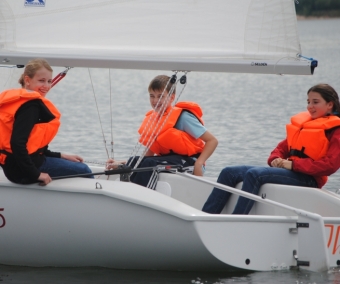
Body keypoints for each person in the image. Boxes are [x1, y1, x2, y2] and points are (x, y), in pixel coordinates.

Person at [202, 83, 340, 215]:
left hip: (309, 179)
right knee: (229, 172)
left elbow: (330, 165)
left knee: (255, 174)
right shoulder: (306, 126)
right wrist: (275, 159)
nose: (310, 106)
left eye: (315, 102)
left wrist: (293, 164)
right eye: (308, 102)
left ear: (329, 104)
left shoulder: (335, 130)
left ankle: (237, 220)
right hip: (292, 172)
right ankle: (206, 217)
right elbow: (281, 148)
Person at [107, 74, 218, 189]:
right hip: (168, 161)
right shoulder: (154, 119)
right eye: (152, 96)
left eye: (161, 96)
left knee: (148, 165)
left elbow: (212, 141)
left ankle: (144, 196)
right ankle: (128, 193)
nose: (155, 101)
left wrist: (199, 164)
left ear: (171, 97)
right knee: (135, 160)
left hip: (188, 162)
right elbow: (147, 156)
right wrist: (121, 163)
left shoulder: (183, 117)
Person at [0, 58, 93, 186]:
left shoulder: (18, 101)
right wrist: (36, 174)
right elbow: (17, 144)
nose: (47, 86)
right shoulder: (30, 106)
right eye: (41, 81)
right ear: (27, 80)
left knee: (75, 165)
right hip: (23, 170)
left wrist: (61, 155)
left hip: (14, 166)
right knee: (84, 170)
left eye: (49, 81)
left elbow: (33, 146)